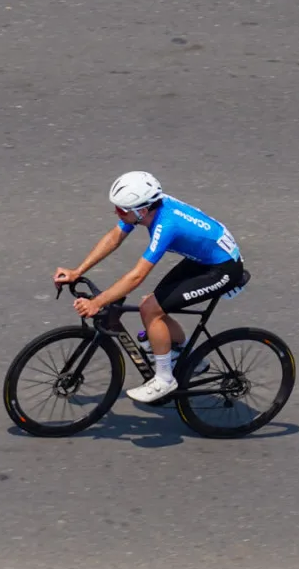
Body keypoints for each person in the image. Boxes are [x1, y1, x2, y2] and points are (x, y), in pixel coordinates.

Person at [53, 172, 247, 404]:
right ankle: (188, 357)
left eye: (122, 210)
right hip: (205, 259)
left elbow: (136, 276)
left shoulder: (166, 225)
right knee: (151, 305)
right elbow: (115, 237)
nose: (117, 213)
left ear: (141, 211)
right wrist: (78, 271)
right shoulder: (146, 209)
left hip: (223, 269)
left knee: (150, 310)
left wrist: (97, 303)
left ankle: (164, 379)